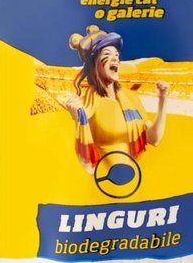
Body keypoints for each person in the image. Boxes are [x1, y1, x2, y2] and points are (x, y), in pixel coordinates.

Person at [62, 25, 169, 172]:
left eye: (116, 55)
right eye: (107, 54)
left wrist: (162, 99)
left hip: (137, 176)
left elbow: (154, 138)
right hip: (103, 178)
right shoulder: (86, 103)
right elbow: (86, 163)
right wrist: (77, 115)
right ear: (94, 65)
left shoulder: (130, 98)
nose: (115, 59)